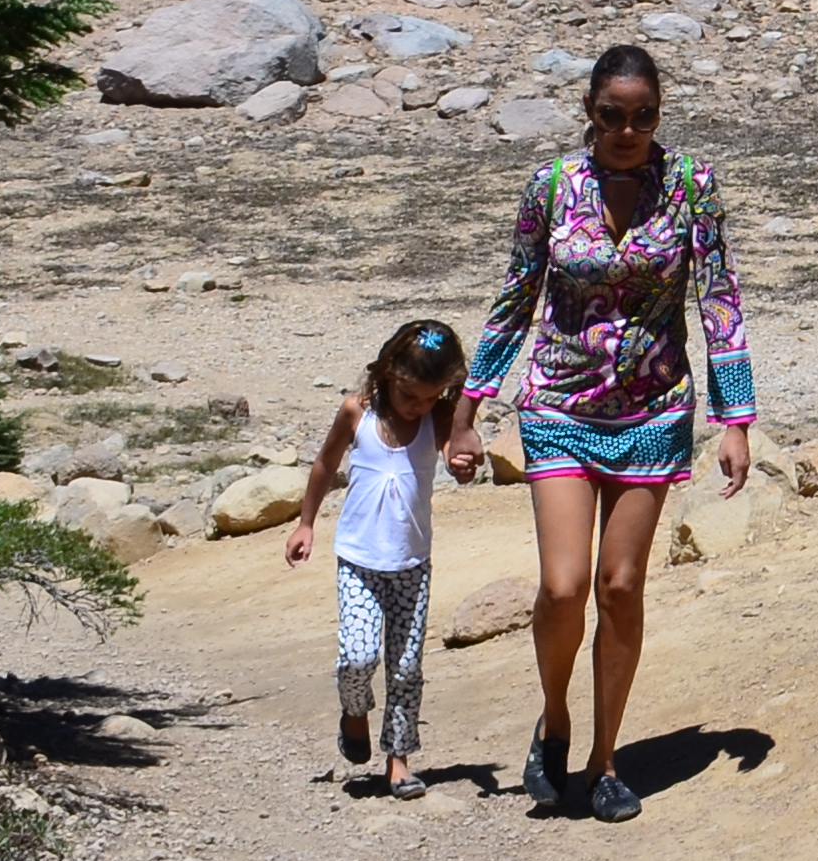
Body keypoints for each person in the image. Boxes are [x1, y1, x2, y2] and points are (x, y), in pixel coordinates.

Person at [462, 42, 753, 818]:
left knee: (619, 587)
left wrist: (736, 418)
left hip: (653, 411)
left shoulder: (692, 186)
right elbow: (515, 297)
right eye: (612, 115)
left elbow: (719, 301)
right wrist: (471, 404)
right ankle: (554, 722)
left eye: (644, 115)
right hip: (557, 405)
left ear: (660, 113)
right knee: (563, 588)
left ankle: (605, 760)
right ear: (588, 112)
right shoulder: (551, 187)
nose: (628, 129)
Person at [284, 316, 471, 798]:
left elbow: (456, 457)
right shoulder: (357, 413)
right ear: (389, 373)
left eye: (431, 398)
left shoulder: (437, 419)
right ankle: (354, 712)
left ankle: (400, 760)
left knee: (406, 667)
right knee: (358, 657)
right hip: (359, 561)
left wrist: (464, 461)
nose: (419, 406)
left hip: (411, 564)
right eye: (411, 396)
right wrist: (306, 522)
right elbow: (326, 463)